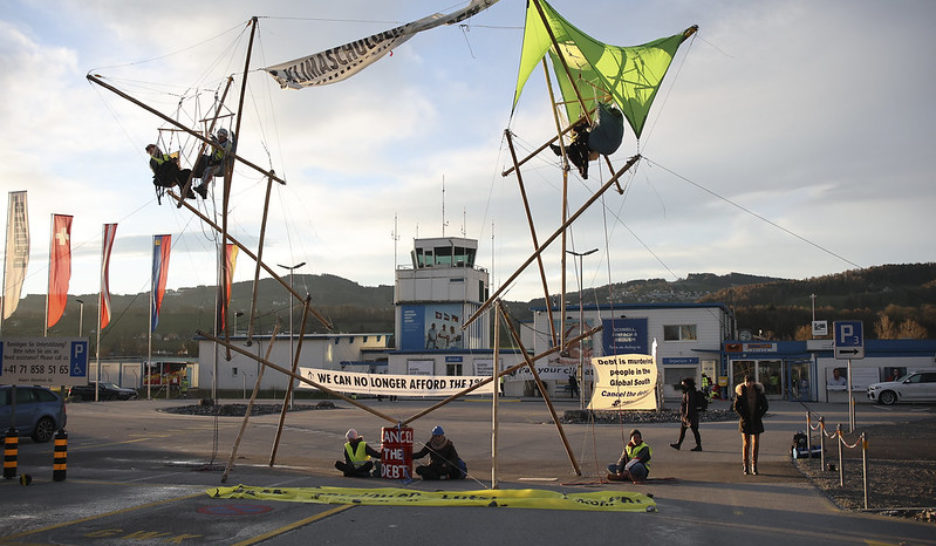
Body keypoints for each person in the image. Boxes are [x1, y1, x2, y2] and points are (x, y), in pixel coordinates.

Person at [734, 375, 768, 475]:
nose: (748, 384)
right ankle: (745, 465)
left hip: (756, 420)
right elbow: (736, 406)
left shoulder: (758, 391)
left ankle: (754, 465)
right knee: (746, 443)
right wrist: (743, 416)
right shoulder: (741, 391)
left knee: (756, 443)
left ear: (754, 382)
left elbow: (765, 405)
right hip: (745, 421)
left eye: (750, 382)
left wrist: (759, 415)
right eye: (747, 382)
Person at [194, 128, 234, 198]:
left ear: (225, 136)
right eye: (219, 136)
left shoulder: (228, 144)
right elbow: (214, 154)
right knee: (205, 172)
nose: (220, 138)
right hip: (215, 162)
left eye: (221, 136)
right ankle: (204, 190)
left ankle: (203, 186)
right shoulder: (217, 143)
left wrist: (218, 145)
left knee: (210, 171)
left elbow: (224, 153)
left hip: (222, 165)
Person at [670, 377, 703, 451]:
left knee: (694, 430)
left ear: (687, 385)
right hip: (689, 415)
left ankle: (698, 446)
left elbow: (689, 405)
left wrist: (687, 415)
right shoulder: (688, 392)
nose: (682, 385)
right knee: (683, 430)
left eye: (683, 384)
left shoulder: (689, 393)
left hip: (690, 416)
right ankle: (678, 444)